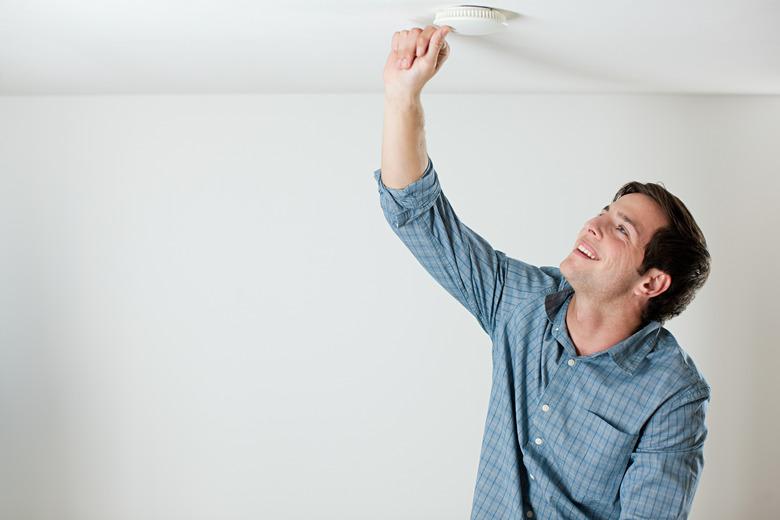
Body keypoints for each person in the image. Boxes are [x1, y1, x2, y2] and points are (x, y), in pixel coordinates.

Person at [374, 25, 712, 520]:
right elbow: (418, 216)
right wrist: (402, 96)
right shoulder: (520, 301)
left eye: (621, 229)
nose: (593, 224)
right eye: (604, 211)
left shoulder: (672, 393)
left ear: (652, 282)